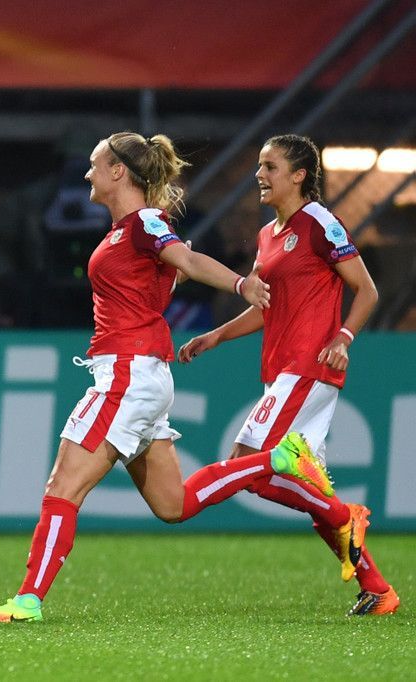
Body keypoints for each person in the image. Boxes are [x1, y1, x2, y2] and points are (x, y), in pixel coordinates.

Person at [0, 131, 334, 623]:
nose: (87, 174)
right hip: (142, 374)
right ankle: (277, 459)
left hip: (126, 375)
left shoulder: (144, 222)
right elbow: (162, 279)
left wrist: (240, 284)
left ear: (119, 171)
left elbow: (188, 260)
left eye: (95, 164)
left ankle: (27, 601)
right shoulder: (128, 231)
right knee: (173, 505)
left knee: (62, 488)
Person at [178, 134, 398, 616]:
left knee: (245, 460)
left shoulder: (320, 222)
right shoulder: (267, 235)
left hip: (309, 366)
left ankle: (345, 515)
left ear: (299, 175)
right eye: (260, 165)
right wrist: (216, 336)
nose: (259, 174)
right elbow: (267, 307)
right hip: (281, 370)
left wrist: (343, 338)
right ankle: (378, 589)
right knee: (307, 490)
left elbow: (366, 289)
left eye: (270, 166)